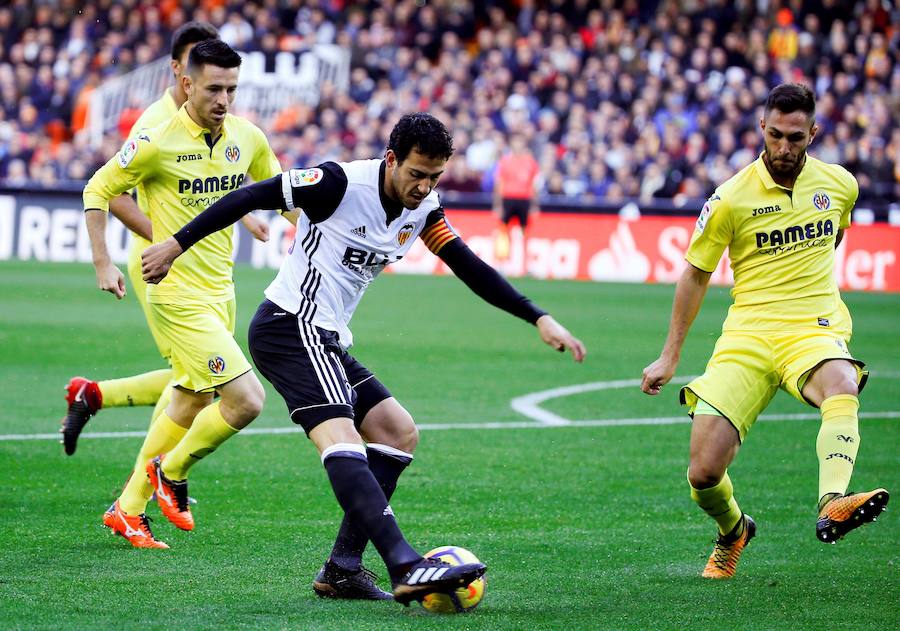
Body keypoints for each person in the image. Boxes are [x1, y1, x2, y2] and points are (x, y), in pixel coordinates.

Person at [141, 113, 585, 603]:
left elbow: (469, 266)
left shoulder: (425, 210)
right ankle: (405, 564)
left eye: (434, 177)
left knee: (397, 432)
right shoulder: (337, 183)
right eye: (416, 174)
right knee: (342, 436)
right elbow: (253, 195)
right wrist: (175, 245)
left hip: (325, 336)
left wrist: (538, 317)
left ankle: (343, 570)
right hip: (289, 326)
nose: (424, 187)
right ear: (392, 158)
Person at [641, 83, 889, 579]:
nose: (783, 148)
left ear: (813, 133)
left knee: (841, 383)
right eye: (774, 135)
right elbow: (694, 273)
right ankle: (734, 530)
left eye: (795, 138)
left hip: (811, 329)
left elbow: (834, 234)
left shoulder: (840, 184)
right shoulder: (730, 198)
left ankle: (832, 500)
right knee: (703, 473)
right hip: (748, 334)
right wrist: (669, 357)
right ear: (761, 128)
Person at [83, 39, 283, 549]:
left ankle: (128, 509)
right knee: (246, 399)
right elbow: (97, 190)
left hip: (221, 289)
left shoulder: (247, 137)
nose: (224, 99)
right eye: (214, 88)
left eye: (232, 89)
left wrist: (286, 221)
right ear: (186, 83)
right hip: (174, 291)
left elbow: (281, 189)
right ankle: (168, 472)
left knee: (194, 395)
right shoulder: (155, 139)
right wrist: (103, 262)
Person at [60, 22, 270, 456]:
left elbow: (219, 178)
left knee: (197, 380)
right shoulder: (156, 125)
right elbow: (110, 191)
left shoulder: (229, 127)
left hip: (210, 270)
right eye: (208, 81)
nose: (222, 96)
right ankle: (151, 479)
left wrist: (243, 216)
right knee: (201, 380)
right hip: (162, 267)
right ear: (181, 71)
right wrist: (174, 241)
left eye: (228, 86)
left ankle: (95, 398)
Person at [492, 133, 541, 261]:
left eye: (520, 142)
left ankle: (525, 260)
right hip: (508, 198)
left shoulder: (530, 162)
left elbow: (534, 184)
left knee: (525, 231)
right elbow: (499, 183)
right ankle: (502, 259)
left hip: (524, 199)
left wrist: (534, 204)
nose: (517, 145)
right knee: (503, 229)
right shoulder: (505, 161)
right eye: (515, 142)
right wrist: (498, 204)